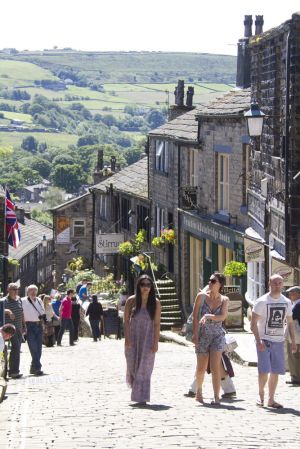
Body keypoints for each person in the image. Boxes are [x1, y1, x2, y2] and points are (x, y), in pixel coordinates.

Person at [251, 274, 297, 408]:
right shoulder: (262, 301)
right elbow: (253, 323)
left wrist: (293, 341)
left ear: (283, 285)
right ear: (269, 283)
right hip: (264, 339)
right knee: (264, 370)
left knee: (276, 371)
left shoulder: (286, 302)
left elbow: (290, 323)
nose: (277, 286)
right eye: (275, 283)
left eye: (280, 283)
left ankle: (271, 399)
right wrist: (258, 340)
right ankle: (261, 395)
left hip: (279, 340)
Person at [192, 272, 229, 405]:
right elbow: (195, 316)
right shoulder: (201, 297)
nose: (210, 283)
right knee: (201, 368)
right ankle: (199, 391)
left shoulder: (224, 299)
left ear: (220, 284)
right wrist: (195, 334)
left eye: (213, 281)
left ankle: (216, 396)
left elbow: (222, 317)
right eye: (209, 280)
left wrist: (209, 316)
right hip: (202, 336)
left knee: (215, 368)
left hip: (217, 336)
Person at [124, 274, 161, 405]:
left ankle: (141, 397)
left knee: (145, 368)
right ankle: (138, 393)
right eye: (142, 285)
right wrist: (127, 338)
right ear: (138, 286)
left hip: (148, 338)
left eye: (148, 285)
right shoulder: (131, 301)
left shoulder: (155, 303)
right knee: (133, 366)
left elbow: (157, 324)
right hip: (133, 338)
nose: (145, 287)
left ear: (151, 287)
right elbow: (126, 321)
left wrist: (156, 342)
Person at [0, 283, 25, 379]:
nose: (15, 291)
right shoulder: (3, 300)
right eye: (13, 289)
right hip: (9, 330)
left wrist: (24, 325)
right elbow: (0, 309)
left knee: (17, 349)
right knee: (16, 347)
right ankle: (13, 371)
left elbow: (21, 312)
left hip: (18, 328)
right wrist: (8, 311)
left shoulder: (19, 299)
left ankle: (14, 370)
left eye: (17, 289)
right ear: (8, 290)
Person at [22, 285, 45, 376]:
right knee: (33, 348)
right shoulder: (23, 301)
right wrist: (23, 326)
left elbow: (42, 312)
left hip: (39, 325)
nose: (33, 292)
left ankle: (33, 367)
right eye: (31, 291)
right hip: (29, 325)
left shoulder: (39, 300)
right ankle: (38, 367)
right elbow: (21, 314)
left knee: (39, 349)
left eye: (35, 291)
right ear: (28, 292)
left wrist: (43, 323)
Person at [285, 285, 300, 385]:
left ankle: (296, 377)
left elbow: (291, 317)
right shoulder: (296, 303)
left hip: (296, 334)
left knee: (294, 356)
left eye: (292, 293)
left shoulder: (298, 304)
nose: (290, 296)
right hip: (296, 333)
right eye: (289, 294)